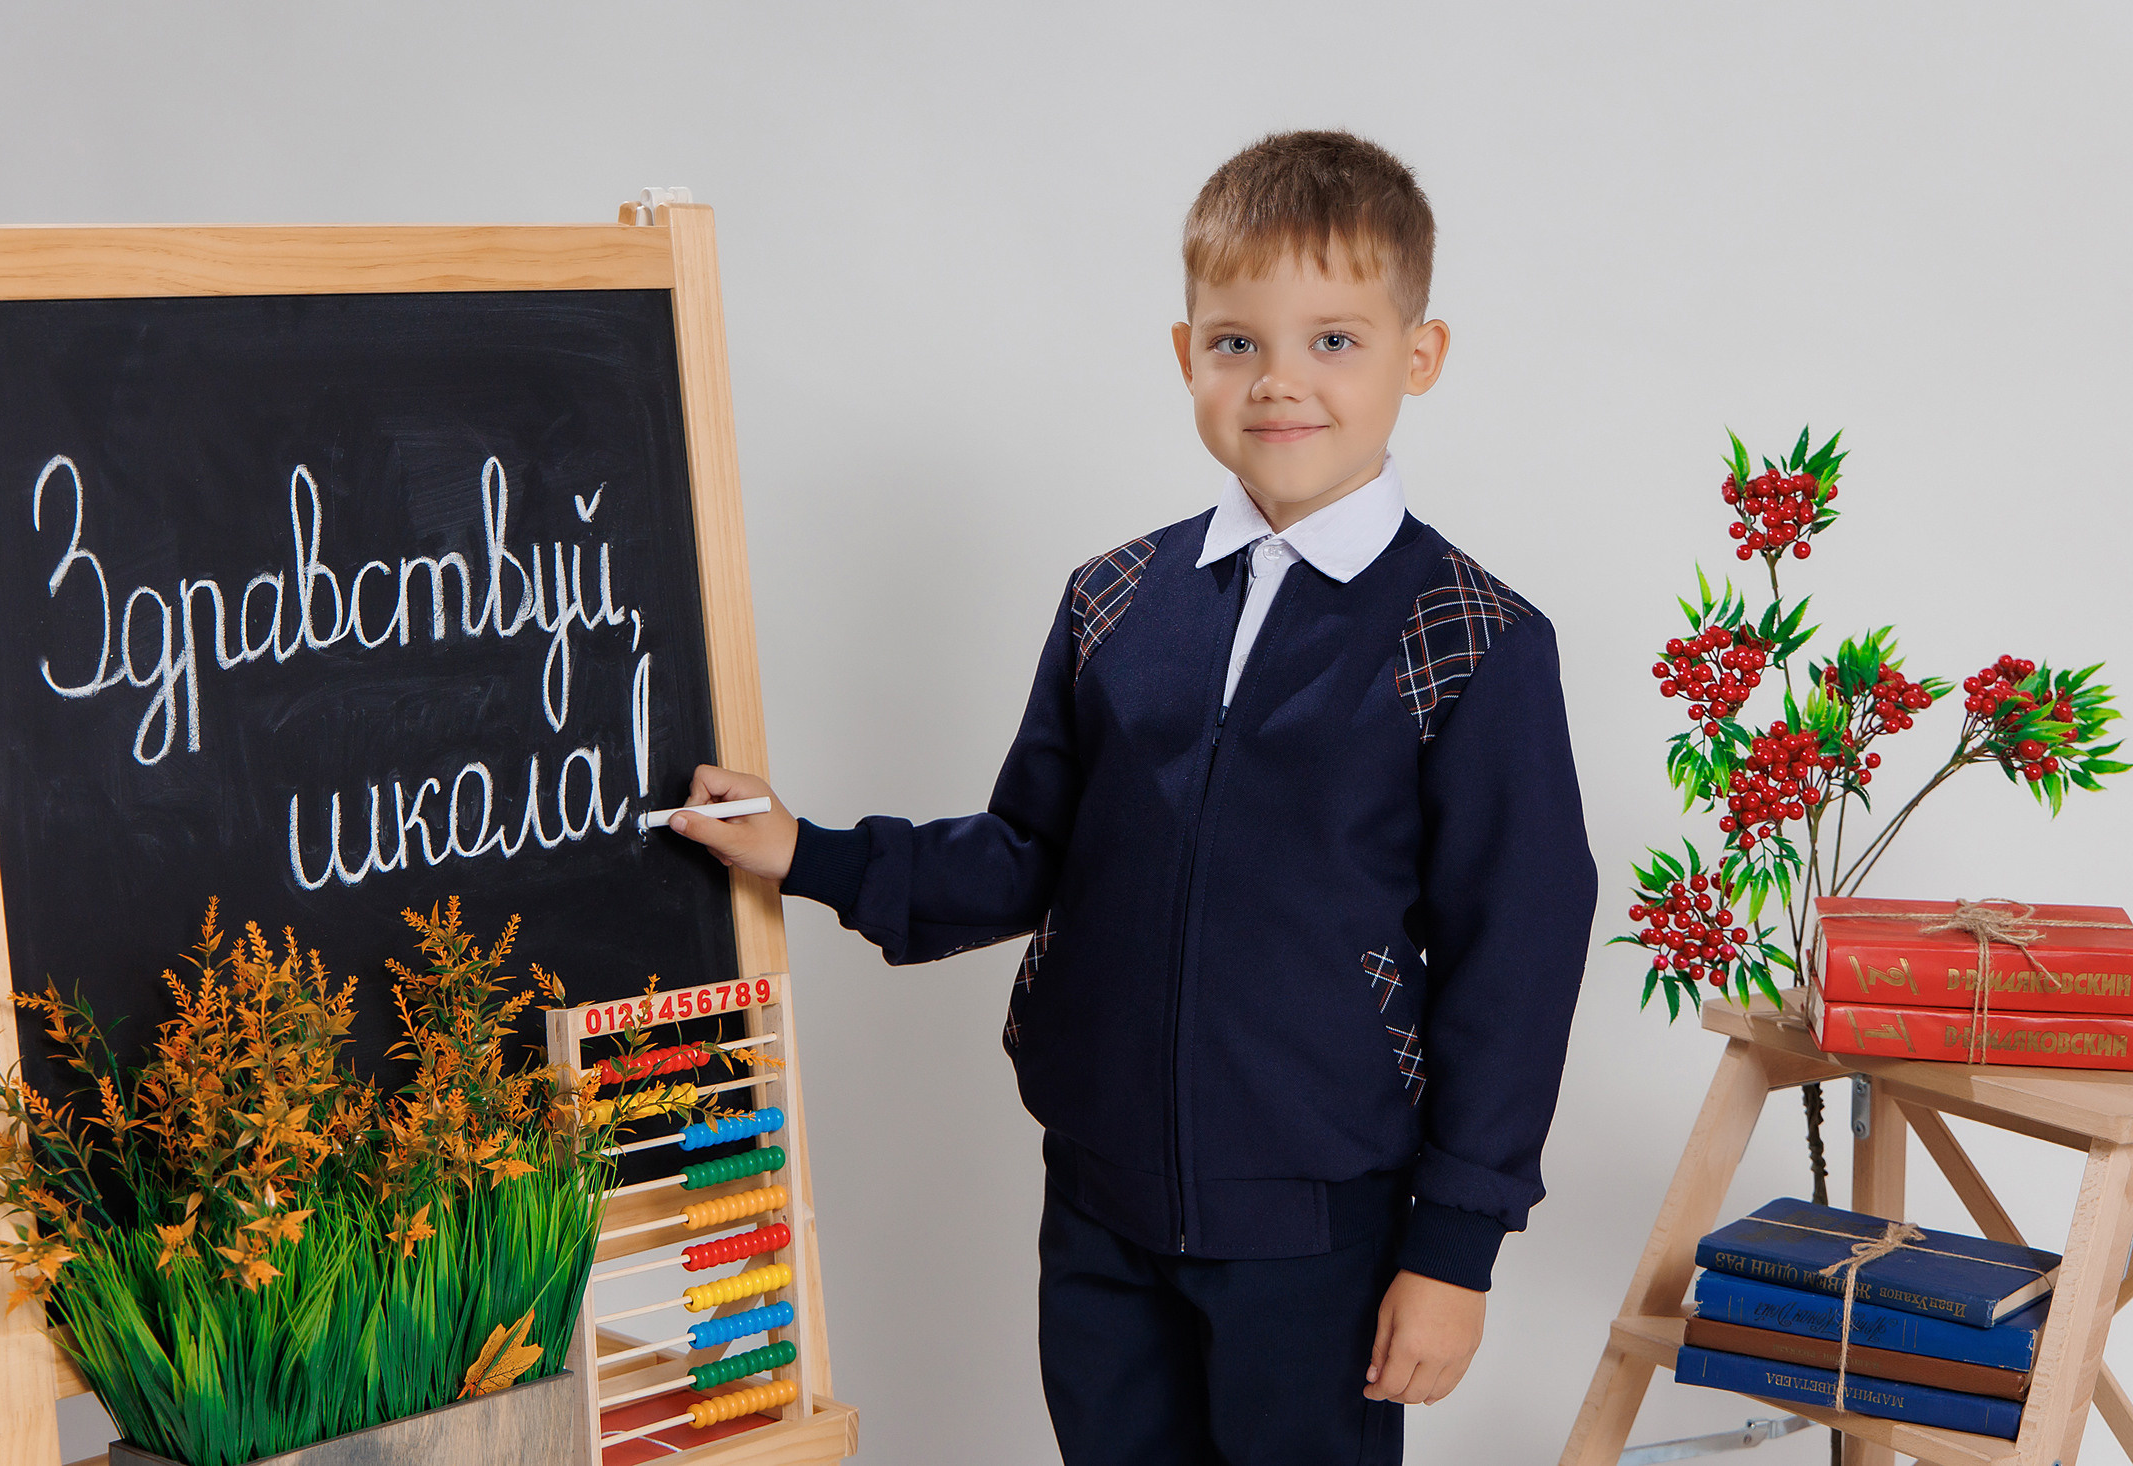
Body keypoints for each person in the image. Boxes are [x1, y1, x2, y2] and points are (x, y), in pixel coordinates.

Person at [667, 129, 1597, 1465]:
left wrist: (1454, 1247)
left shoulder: (1474, 638)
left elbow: (1518, 955)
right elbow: (1023, 850)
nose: (1281, 381)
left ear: (1420, 354)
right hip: (1099, 1207)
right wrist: (804, 850)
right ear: (1187, 356)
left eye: (1333, 339)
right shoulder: (1116, 600)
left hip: (1319, 1232)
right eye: (1238, 343)